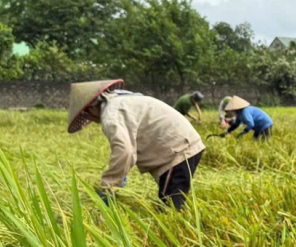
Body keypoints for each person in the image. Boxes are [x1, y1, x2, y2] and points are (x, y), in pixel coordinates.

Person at [68, 79, 205, 211]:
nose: (92, 120)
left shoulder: (110, 114)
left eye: (87, 115)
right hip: (181, 145)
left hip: (178, 150)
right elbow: (129, 145)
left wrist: (107, 187)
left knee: (171, 208)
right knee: (170, 200)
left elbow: (124, 151)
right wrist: (122, 173)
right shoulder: (121, 102)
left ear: (91, 108)